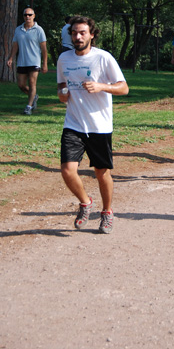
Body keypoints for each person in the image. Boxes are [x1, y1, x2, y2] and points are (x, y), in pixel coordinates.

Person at [57, 15, 129, 234]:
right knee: (68, 170)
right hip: (73, 123)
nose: (78, 37)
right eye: (74, 33)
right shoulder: (64, 59)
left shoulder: (103, 58)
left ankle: (107, 212)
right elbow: (61, 87)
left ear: (92, 34)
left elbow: (124, 88)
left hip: (99, 126)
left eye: (82, 33)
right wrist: (63, 93)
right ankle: (86, 202)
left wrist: (101, 86)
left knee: (102, 173)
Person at [7, 7, 48, 115]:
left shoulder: (39, 30)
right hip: (22, 61)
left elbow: (44, 48)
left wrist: (45, 63)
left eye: (30, 15)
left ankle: (29, 107)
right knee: (21, 84)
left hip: (34, 61)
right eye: (25, 15)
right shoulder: (18, 30)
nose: (27, 17)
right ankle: (34, 97)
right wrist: (11, 58)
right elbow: (15, 45)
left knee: (32, 83)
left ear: (34, 16)